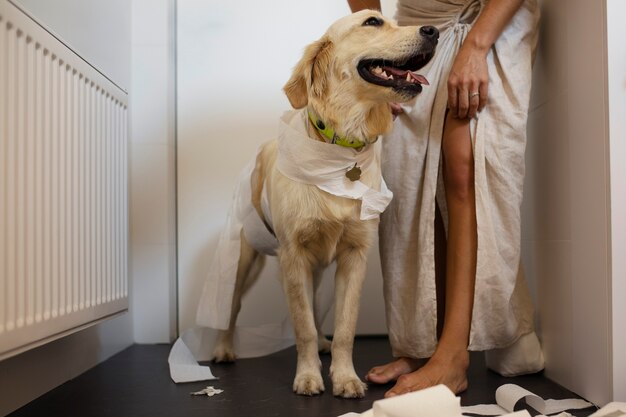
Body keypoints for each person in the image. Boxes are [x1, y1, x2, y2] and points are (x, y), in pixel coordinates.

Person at [346, 0, 544, 396]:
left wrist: (475, 48)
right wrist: (377, 47)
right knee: (413, 180)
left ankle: (453, 357)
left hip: (489, 19)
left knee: (463, 164)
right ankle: (423, 345)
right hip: (419, 23)